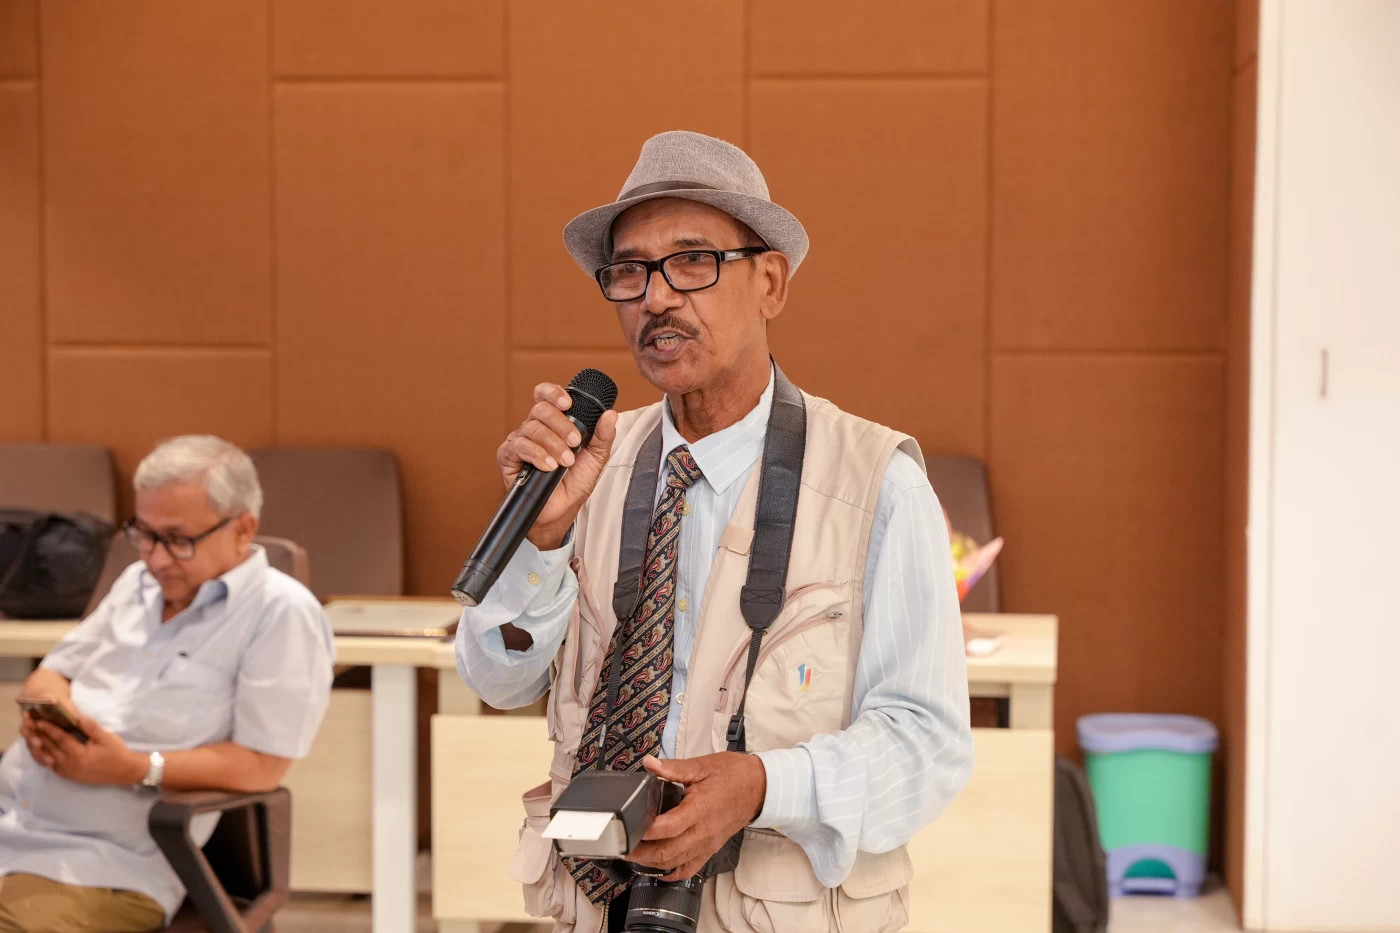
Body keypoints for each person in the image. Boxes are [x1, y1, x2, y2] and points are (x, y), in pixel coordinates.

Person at [455, 130, 973, 933]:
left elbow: (927, 743)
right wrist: (541, 540)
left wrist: (765, 784)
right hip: (595, 907)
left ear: (771, 283)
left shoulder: (876, 483)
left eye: (692, 261)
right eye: (630, 272)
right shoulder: (585, 464)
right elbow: (497, 680)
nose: (657, 298)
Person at [0, 435, 334, 932]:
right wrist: (48, 715)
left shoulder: (280, 613)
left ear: (243, 528)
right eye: (145, 534)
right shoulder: (136, 584)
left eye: (177, 539)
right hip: (11, 823)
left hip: (103, 866)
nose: (156, 559)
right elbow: (53, 671)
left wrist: (133, 768)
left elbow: (263, 766)